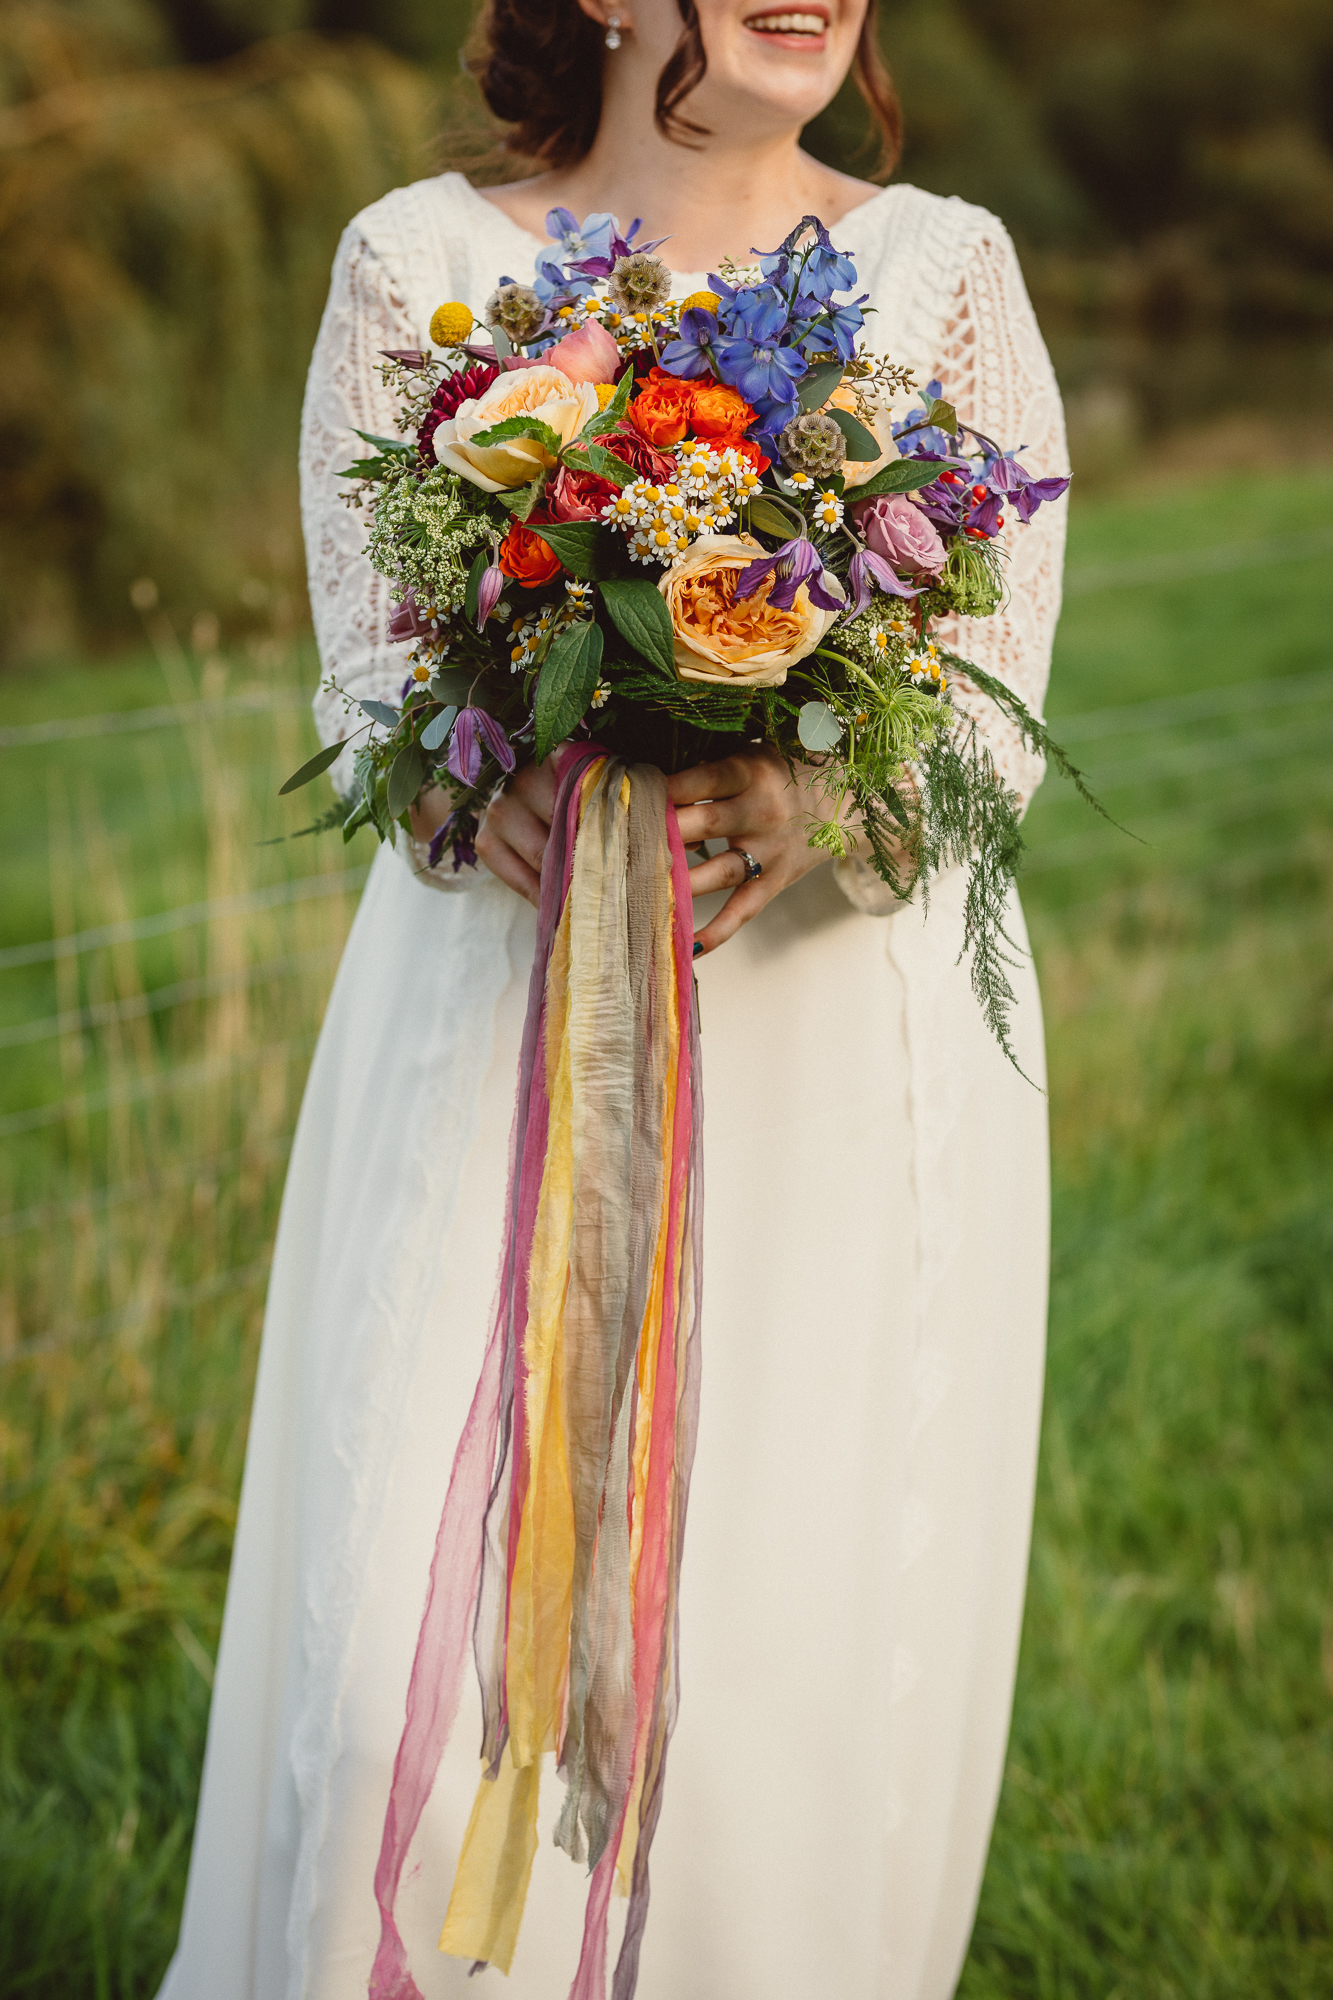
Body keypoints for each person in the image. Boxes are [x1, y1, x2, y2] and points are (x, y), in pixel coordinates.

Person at [158, 1, 1068, 1994]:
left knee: (771, 1666)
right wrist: (461, 791)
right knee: (409, 1608)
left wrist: (808, 788)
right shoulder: (419, 267)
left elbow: (993, 716)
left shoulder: (942, 274)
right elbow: (362, 679)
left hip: (826, 1049)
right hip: (497, 1017)